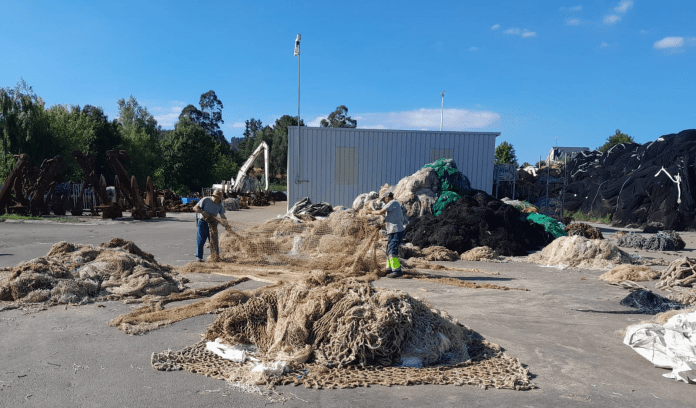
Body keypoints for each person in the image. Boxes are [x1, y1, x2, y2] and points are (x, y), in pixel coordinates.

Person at [371, 191, 406, 278]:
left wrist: (370, 212)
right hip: (393, 231)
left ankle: (397, 270)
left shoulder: (393, 202)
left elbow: (380, 212)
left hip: (396, 231)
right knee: (388, 251)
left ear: (387, 196)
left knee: (392, 250)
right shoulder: (392, 206)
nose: (383, 202)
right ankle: (389, 269)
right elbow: (391, 219)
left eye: (384, 199)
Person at [193, 189, 226, 262]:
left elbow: (222, 215)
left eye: (219, 198)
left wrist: (226, 224)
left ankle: (215, 257)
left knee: (214, 241)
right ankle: (199, 257)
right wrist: (203, 212)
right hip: (203, 222)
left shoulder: (219, 205)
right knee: (201, 239)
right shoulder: (205, 200)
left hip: (213, 224)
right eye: (216, 197)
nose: (217, 199)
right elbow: (195, 208)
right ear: (213, 196)